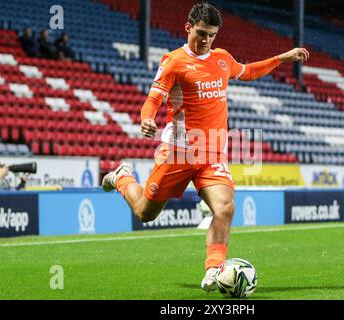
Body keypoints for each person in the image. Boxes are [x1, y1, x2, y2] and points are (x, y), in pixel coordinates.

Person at [101, 3, 309, 292]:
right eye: (201, 33)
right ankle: (122, 176)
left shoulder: (222, 58)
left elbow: (247, 71)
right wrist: (147, 119)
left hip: (212, 153)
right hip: (178, 150)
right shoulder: (173, 62)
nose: (206, 40)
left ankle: (213, 271)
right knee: (145, 213)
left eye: (211, 35)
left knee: (224, 208)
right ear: (188, 28)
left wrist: (282, 58)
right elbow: (153, 99)